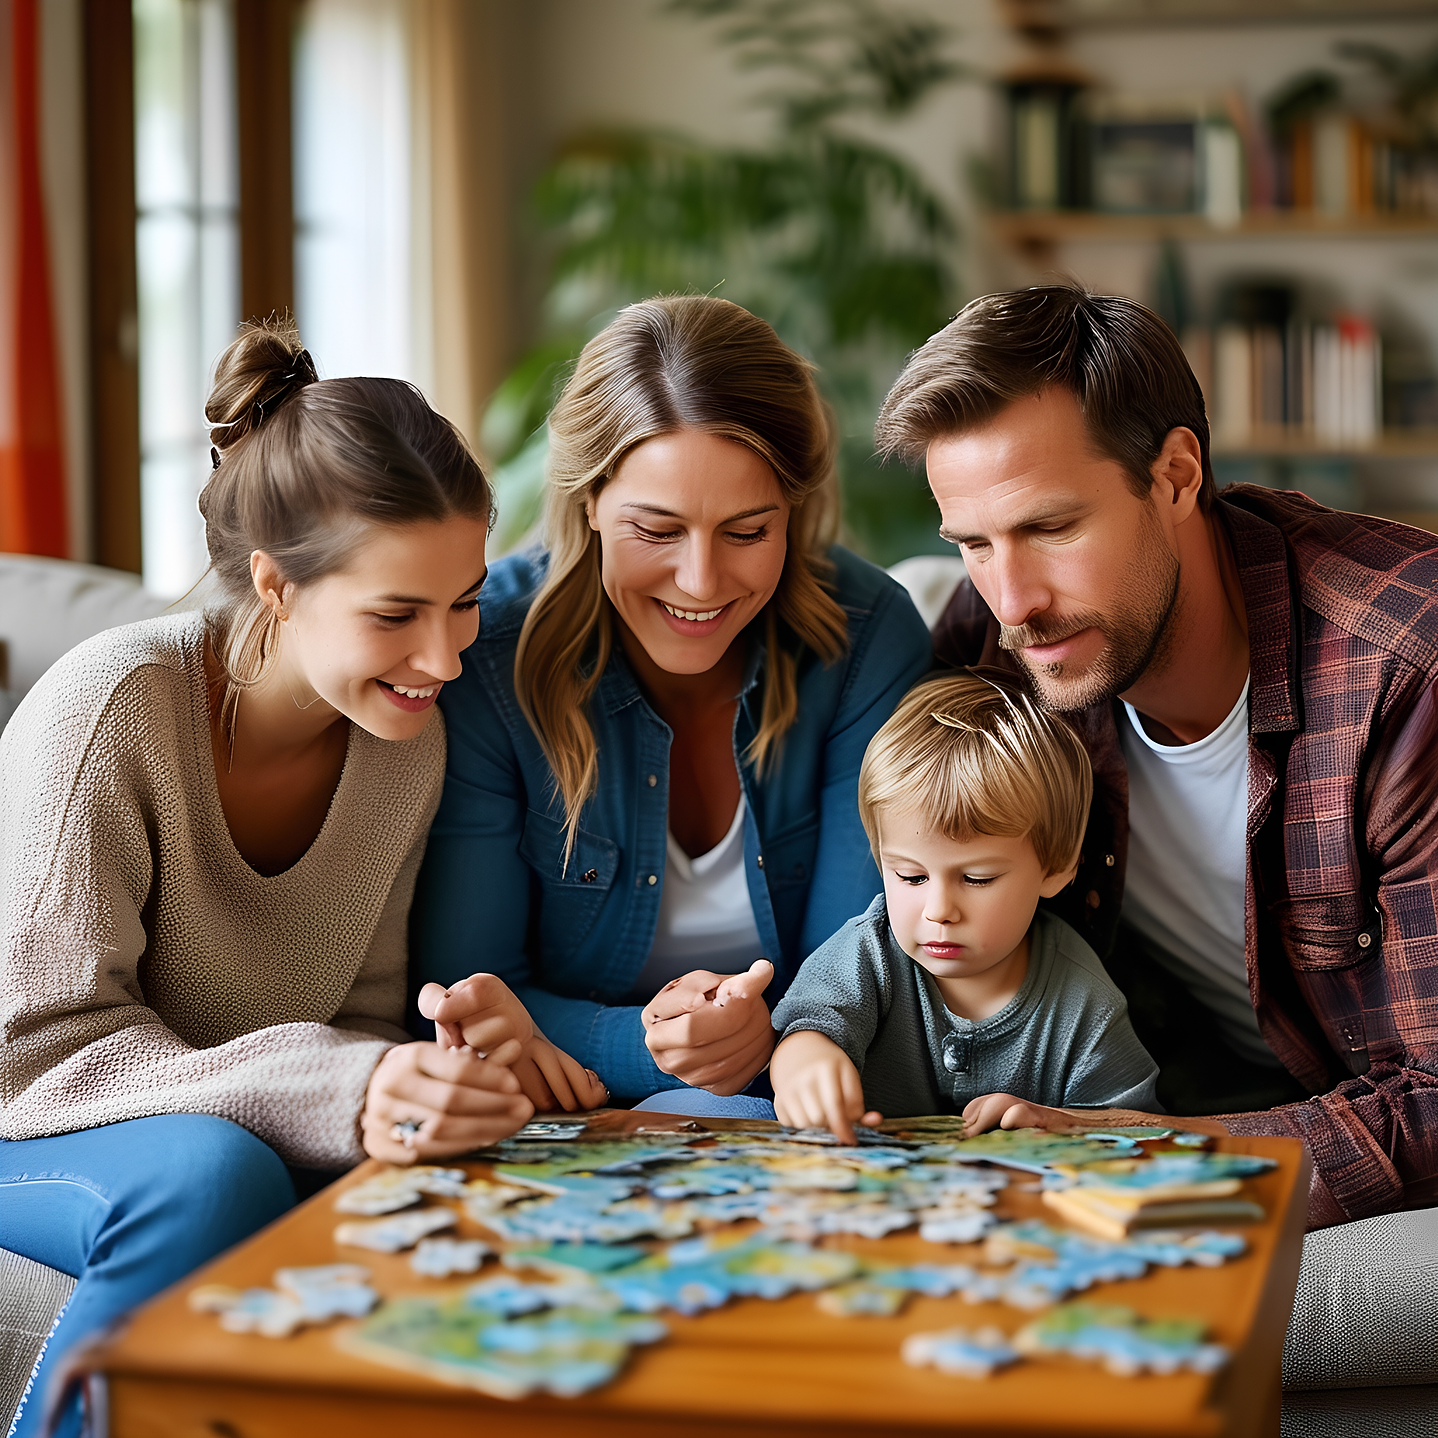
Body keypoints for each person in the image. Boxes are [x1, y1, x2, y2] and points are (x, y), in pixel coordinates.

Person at [0, 319, 598, 1438]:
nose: (446, 657)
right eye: (394, 614)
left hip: (198, 1119)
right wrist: (339, 1085)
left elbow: (358, 1016)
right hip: (25, 1113)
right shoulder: (112, 709)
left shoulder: (404, 744)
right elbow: (33, 1054)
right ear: (276, 586)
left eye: (463, 599)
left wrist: (426, 1074)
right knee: (207, 1176)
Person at [873, 282, 1438, 1393]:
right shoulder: (997, 659)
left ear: (1177, 473)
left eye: (1050, 526)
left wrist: (1125, 1157)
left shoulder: (1405, 673)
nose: (1014, 597)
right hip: (1194, 1092)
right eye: (973, 543)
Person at [413, 296, 932, 1109]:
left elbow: (866, 973)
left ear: (792, 509)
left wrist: (781, 1037)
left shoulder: (866, 641)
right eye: (656, 531)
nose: (700, 581)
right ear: (588, 501)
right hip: (552, 1115)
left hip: (800, 1100)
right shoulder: (485, 656)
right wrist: (648, 1049)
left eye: (747, 531)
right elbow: (470, 991)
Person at [770, 670, 1158, 1142]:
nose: (938, 910)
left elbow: (1135, 1128)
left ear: (1056, 869)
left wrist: (1057, 1123)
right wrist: (806, 1061)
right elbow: (808, 1025)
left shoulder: (1085, 1007)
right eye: (910, 876)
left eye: (977, 878)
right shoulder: (867, 953)